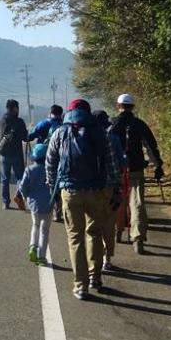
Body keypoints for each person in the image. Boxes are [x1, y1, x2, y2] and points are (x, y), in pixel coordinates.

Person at [46, 99, 121, 300]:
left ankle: (81, 286)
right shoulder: (100, 133)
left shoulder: (59, 132)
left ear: (69, 113)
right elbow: (112, 163)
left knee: (75, 238)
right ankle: (95, 276)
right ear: (87, 112)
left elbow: (50, 163)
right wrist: (113, 189)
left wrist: (54, 189)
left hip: (70, 191)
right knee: (94, 233)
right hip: (96, 191)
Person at [110, 93, 164, 255]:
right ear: (132, 107)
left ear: (118, 106)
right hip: (136, 169)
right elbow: (150, 147)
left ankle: (118, 230)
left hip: (116, 170)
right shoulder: (139, 124)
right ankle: (138, 238)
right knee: (137, 203)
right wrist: (158, 166)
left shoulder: (112, 124)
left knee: (117, 201)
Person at [94, 109, 127, 271]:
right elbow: (121, 164)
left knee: (94, 226)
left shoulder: (87, 137)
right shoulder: (113, 138)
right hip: (110, 188)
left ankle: (95, 259)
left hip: (92, 189)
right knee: (109, 225)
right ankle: (107, 259)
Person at [29, 104, 65, 222]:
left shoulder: (44, 123)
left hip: (44, 157)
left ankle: (44, 206)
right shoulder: (64, 124)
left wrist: (27, 137)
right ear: (60, 113)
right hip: (60, 157)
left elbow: (32, 135)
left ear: (50, 112)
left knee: (45, 181)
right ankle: (58, 211)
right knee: (58, 182)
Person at [18, 143, 52, 266]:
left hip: (33, 204)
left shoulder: (29, 170)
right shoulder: (50, 169)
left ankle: (33, 246)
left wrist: (26, 197)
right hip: (48, 203)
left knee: (35, 225)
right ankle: (42, 257)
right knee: (45, 230)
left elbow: (22, 187)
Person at [0, 99, 28, 210]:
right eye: (18, 108)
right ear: (15, 108)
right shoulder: (20, 121)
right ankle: (18, 196)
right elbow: (24, 137)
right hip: (17, 154)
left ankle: (5, 203)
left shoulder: (0, 121)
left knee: (5, 179)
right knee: (20, 178)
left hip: (4, 155)